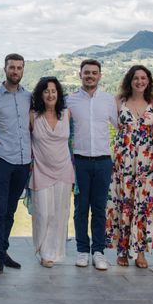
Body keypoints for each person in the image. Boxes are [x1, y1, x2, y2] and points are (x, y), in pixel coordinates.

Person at [105, 65, 153, 268]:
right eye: (136, 78)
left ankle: (140, 253)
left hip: (146, 165)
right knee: (124, 204)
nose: (140, 81)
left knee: (144, 206)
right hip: (123, 163)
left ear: (149, 81)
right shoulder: (118, 101)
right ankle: (122, 251)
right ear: (130, 80)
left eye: (143, 78)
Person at [0, 53, 32, 281]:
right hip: (2, 160)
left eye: (19, 68)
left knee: (11, 210)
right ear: (5, 69)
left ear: (23, 71)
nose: (15, 71)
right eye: (12, 67)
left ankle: (3, 252)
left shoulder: (29, 97)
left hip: (24, 162)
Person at [66, 59, 117, 271]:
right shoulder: (70, 101)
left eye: (94, 73)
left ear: (100, 76)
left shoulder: (108, 100)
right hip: (79, 161)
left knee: (99, 208)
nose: (90, 76)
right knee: (80, 208)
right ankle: (81, 250)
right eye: (86, 72)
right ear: (80, 75)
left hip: (104, 161)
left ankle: (98, 251)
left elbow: (121, 126)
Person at [28, 77, 74, 268]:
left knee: (60, 213)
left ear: (58, 93)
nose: (50, 94)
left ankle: (55, 253)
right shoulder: (32, 116)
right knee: (43, 213)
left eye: (53, 91)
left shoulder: (66, 114)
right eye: (46, 91)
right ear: (40, 94)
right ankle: (43, 251)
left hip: (64, 170)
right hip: (40, 170)